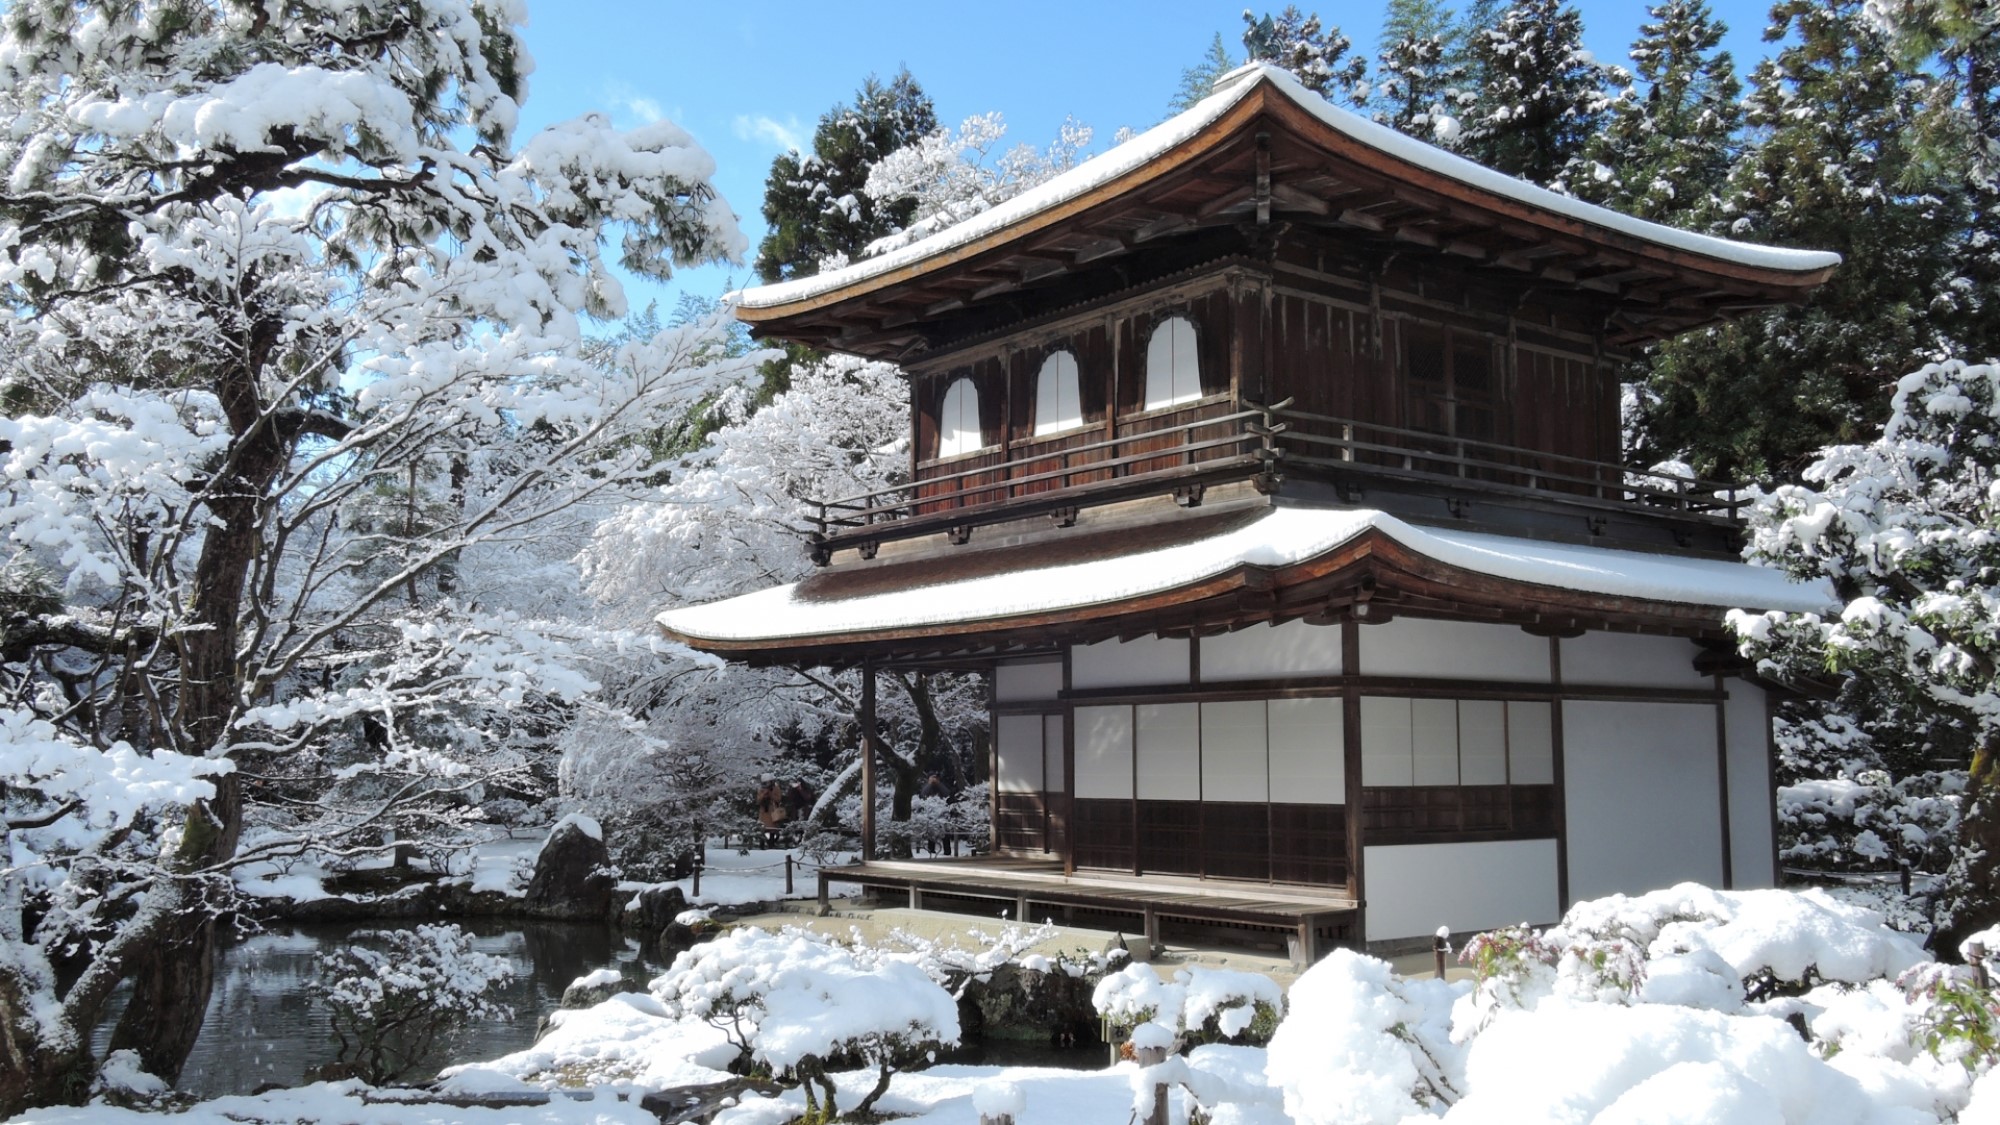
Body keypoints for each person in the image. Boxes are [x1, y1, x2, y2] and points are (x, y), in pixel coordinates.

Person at [754, 775, 786, 846]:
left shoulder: (776, 788)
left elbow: (778, 799)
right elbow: (758, 800)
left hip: (772, 811)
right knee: (762, 829)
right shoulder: (761, 789)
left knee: (773, 830)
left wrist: (771, 794)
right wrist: (763, 794)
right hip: (763, 812)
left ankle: (771, 844)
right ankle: (762, 845)